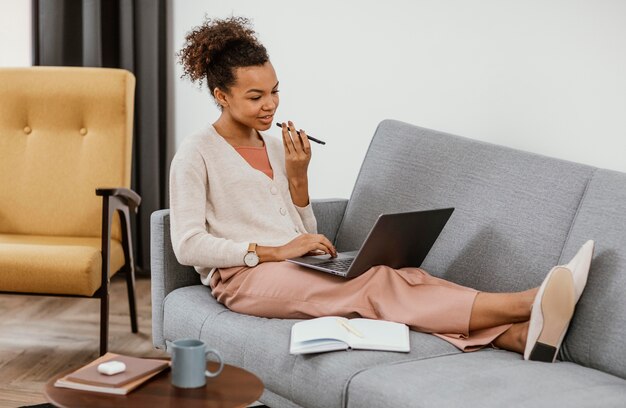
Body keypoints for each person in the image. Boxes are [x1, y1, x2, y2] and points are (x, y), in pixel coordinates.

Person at [170, 16, 594, 362]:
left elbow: (302, 228)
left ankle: (515, 338)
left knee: (401, 274)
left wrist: (299, 180)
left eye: (275, 91)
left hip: (296, 266)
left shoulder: (279, 147)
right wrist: (271, 251)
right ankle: (527, 303)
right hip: (243, 278)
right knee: (373, 288)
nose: (270, 105)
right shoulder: (197, 153)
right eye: (255, 96)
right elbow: (187, 245)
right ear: (222, 96)